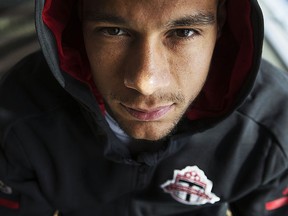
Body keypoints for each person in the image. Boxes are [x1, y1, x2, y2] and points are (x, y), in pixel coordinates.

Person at [0, 0, 287, 215]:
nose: (145, 82)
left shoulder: (272, 125)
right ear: (79, 23)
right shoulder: (18, 117)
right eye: (113, 31)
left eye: (184, 32)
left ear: (221, 24)